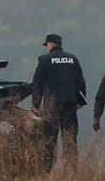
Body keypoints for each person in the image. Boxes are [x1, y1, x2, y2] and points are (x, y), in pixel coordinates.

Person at [31, 33, 87, 170]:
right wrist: (80, 101)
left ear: (50, 44)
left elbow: (37, 83)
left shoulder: (44, 60)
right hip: (70, 104)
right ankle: (71, 170)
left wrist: (36, 104)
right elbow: (80, 82)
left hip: (52, 105)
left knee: (50, 140)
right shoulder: (73, 59)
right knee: (70, 138)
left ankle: (46, 170)